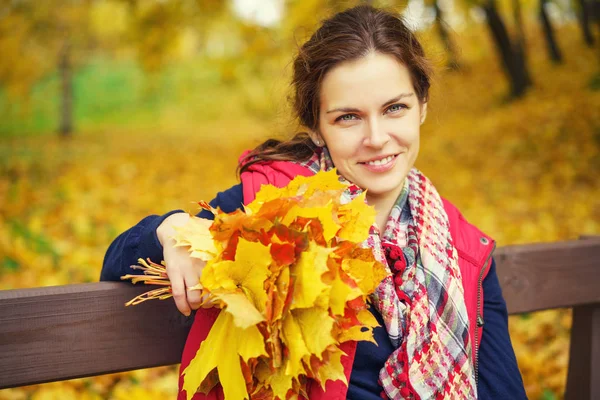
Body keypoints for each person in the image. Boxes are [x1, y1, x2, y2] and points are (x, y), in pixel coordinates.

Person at [101, 5, 527, 399]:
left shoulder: (462, 249)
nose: (376, 137)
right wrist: (170, 229)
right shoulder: (268, 212)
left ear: (423, 108)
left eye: (394, 108)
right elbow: (118, 264)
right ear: (317, 127)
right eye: (348, 117)